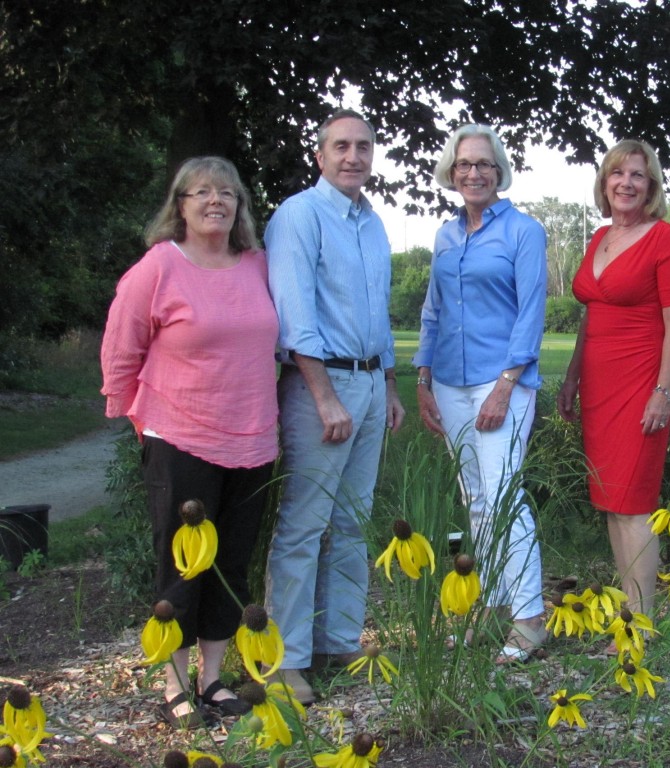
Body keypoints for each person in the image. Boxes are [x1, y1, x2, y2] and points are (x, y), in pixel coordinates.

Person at [100, 157, 279, 727]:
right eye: (202, 192)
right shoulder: (159, 268)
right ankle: (175, 685)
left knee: (231, 563)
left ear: (240, 207)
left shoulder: (259, 266)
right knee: (181, 568)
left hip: (253, 440)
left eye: (227, 193)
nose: (216, 201)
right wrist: (134, 416)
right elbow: (121, 348)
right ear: (179, 204)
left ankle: (214, 678)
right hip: (180, 436)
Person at [264, 108, 405, 704]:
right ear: (320, 156)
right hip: (320, 387)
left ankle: (339, 638)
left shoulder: (372, 223)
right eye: (341, 146)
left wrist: (390, 387)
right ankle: (285, 660)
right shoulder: (299, 215)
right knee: (303, 525)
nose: (353, 156)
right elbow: (296, 317)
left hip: (370, 386)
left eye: (364, 147)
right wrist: (324, 398)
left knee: (352, 522)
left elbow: (377, 314)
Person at [414, 124, 548, 664]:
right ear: (451, 171)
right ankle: (491, 607)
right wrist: (422, 379)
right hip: (447, 381)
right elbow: (432, 310)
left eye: (484, 165)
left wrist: (504, 386)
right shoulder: (446, 236)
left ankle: (530, 618)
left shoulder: (523, 231)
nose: (473, 173)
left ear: (500, 172)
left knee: (505, 495)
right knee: (475, 500)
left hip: (504, 384)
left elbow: (531, 313)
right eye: (464, 164)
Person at [556, 140, 670, 629]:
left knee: (634, 505)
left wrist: (664, 390)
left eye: (637, 175)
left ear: (651, 186)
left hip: (640, 383)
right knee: (611, 502)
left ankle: (641, 623)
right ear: (605, 182)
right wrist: (572, 377)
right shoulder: (599, 238)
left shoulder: (665, 239)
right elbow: (592, 315)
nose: (626, 183)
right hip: (597, 383)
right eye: (617, 174)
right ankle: (630, 612)